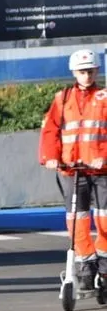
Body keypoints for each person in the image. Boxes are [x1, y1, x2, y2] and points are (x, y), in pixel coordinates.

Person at [40, 48, 107, 290]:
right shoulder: (63, 99)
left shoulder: (104, 97)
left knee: (105, 218)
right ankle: (85, 266)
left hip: (101, 170)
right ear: (74, 73)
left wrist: (103, 157)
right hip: (72, 169)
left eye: (90, 71)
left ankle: (105, 266)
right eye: (82, 72)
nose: (86, 76)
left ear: (96, 71)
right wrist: (50, 157)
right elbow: (50, 130)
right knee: (77, 219)